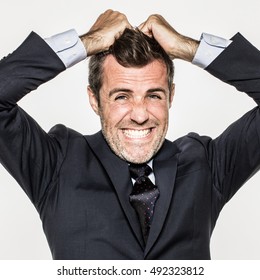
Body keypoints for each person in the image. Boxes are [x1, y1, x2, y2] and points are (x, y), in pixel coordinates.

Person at [0, 9, 260, 260]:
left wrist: (187, 47)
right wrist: (87, 43)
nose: (139, 115)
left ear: (171, 96)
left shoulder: (205, 164)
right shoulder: (56, 164)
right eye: (122, 96)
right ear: (95, 100)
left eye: (154, 95)